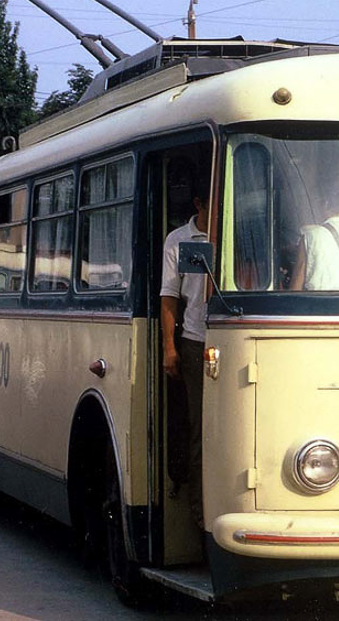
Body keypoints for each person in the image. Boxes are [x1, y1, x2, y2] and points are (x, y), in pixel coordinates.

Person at [160, 178, 209, 529]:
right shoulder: (179, 240)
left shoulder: (237, 232)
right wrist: (170, 347)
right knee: (200, 429)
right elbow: (170, 296)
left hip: (229, 338)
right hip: (194, 342)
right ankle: (199, 515)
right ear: (198, 203)